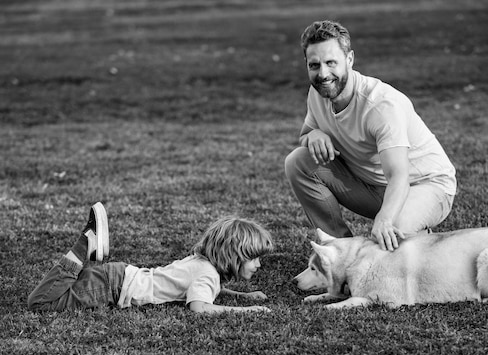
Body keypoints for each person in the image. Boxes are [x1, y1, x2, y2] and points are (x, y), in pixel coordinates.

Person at [285, 20, 457, 251]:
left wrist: (385, 219)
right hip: (374, 186)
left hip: (425, 185)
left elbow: (398, 176)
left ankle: (417, 236)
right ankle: (339, 252)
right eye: (314, 65)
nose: (323, 74)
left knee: (392, 230)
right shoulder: (318, 93)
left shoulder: (381, 105)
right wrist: (313, 134)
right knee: (298, 161)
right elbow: (305, 134)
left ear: (349, 59)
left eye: (331, 63)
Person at [28, 202, 273, 314]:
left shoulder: (203, 265)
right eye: (253, 258)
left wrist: (242, 296)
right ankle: (84, 244)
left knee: (59, 290)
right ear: (234, 254)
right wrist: (248, 309)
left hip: (118, 277)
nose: (258, 265)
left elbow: (206, 291)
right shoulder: (207, 274)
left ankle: (87, 247)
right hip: (111, 289)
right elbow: (199, 307)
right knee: (40, 303)